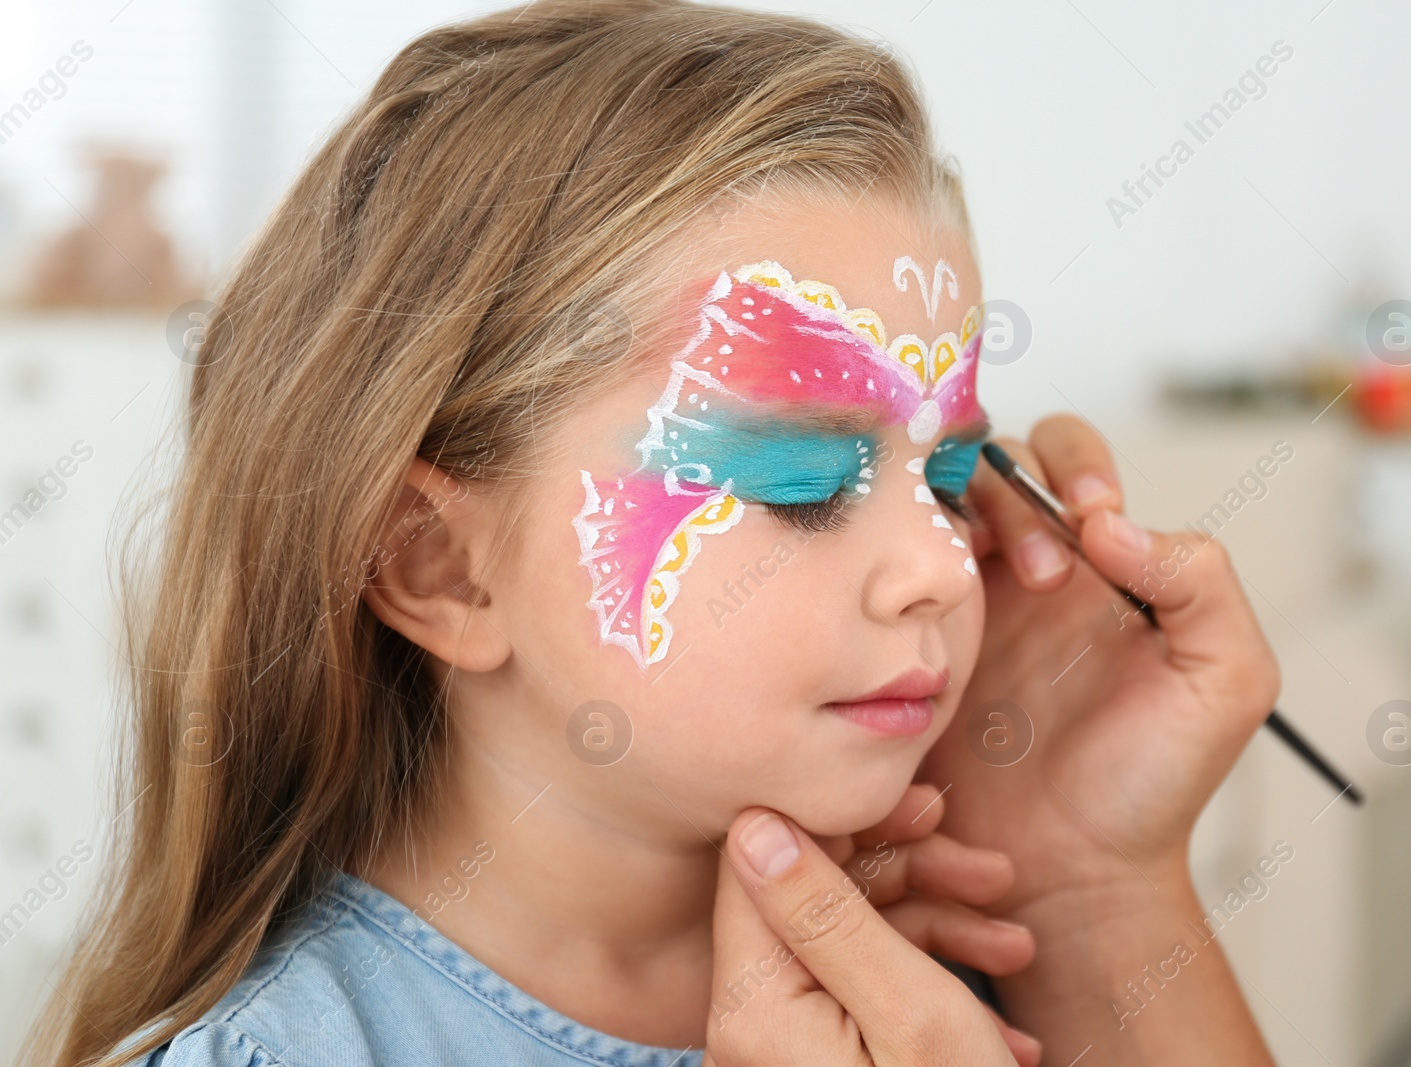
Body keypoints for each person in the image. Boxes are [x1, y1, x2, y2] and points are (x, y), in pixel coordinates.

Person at [21, 2, 1278, 1064]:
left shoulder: (951, 965)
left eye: (947, 472)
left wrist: (1093, 886)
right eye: (795, 479)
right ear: (437, 561)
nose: (942, 567)